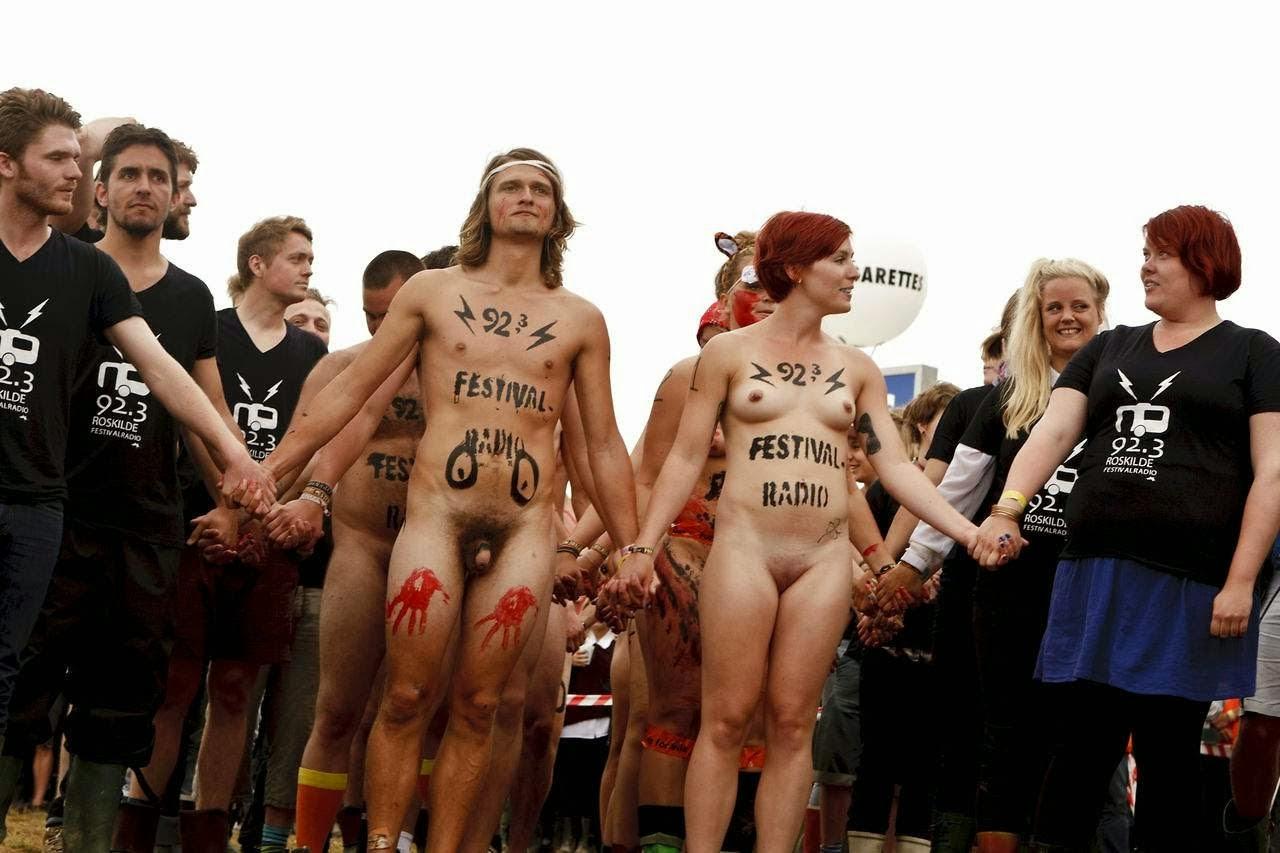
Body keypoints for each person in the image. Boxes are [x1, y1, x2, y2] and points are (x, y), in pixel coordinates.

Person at [261, 148, 639, 851]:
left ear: (558, 214)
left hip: (523, 525)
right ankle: (376, 841)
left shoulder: (580, 318)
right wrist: (275, 471)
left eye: (540, 189)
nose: (526, 197)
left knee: (482, 703)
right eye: (510, 186)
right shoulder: (432, 293)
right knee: (403, 696)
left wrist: (632, 547)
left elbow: (602, 444)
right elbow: (353, 394)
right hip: (433, 517)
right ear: (484, 206)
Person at [611, 211, 978, 852]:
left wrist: (967, 533)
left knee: (790, 725)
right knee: (724, 721)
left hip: (819, 560)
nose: (854, 272)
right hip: (744, 552)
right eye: (840, 258)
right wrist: (641, 546)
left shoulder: (856, 367)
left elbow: (895, 467)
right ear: (796, 269)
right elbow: (682, 458)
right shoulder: (728, 354)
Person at [0, 90, 270, 847]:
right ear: (102, 188)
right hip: (58, 509)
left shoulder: (182, 296)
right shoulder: (69, 266)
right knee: (20, 689)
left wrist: (233, 489)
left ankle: (88, 837)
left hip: (145, 525)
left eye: (161, 176)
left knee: (121, 703)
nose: (146, 187)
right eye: (128, 173)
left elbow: (191, 396)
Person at [971, 206, 1280, 851]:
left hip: (1189, 584)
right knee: (1083, 744)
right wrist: (1006, 509)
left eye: (1161, 254)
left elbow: (1272, 471)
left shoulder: (1253, 352)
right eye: (1145, 253)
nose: (1146, 267)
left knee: (1168, 752)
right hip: (1094, 572)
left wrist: (1240, 581)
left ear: (1204, 264)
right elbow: (1053, 431)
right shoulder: (1110, 347)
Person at [119, 215, 327, 852]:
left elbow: (313, 440)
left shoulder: (312, 353)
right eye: (297, 257)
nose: (309, 268)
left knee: (236, 690)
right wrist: (226, 507)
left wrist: (264, 517)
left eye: (311, 258)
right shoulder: (209, 327)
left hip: (267, 539)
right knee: (175, 685)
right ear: (257, 264)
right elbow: (191, 421)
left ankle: (207, 831)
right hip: (197, 526)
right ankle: (135, 826)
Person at [887, 259, 1110, 851]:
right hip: (1012, 586)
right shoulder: (1004, 398)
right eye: (1054, 307)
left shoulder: (1122, 390)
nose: (1067, 317)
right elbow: (956, 491)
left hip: (1092, 584)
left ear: (1100, 313)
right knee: (1007, 734)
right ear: (1036, 318)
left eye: (1079, 306)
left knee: (1081, 736)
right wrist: (911, 566)